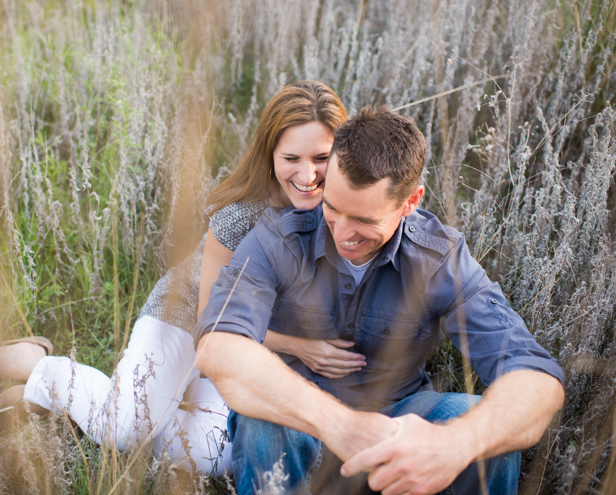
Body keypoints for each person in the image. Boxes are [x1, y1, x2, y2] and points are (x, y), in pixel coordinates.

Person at [0, 81, 357, 475]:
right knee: (127, 429)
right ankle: (46, 372)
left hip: (246, 354)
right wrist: (303, 349)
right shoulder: (241, 216)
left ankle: (103, 407)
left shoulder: (346, 212)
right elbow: (211, 322)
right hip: (186, 319)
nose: (307, 175)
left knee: (221, 456)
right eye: (292, 159)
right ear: (270, 154)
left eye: (321, 158)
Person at [194, 106, 565, 494]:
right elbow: (217, 346)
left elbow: (538, 378)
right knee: (263, 422)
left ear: (411, 201)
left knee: (478, 428)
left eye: (365, 221)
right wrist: (340, 425)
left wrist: (456, 444)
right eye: (333, 208)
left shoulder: (439, 258)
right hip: (300, 423)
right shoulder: (278, 239)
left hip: (399, 423)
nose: (343, 233)